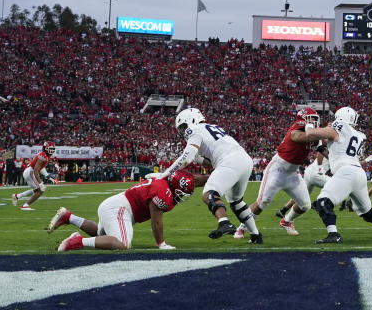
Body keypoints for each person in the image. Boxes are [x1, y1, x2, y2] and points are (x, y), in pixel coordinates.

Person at [152, 107, 262, 243]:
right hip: (244, 160)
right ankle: (256, 235)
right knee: (236, 201)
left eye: (183, 126)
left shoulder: (194, 129)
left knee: (208, 193)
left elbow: (187, 157)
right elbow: (210, 159)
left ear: (191, 120)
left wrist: (165, 173)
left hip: (230, 161)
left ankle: (224, 222)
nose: (183, 131)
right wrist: (200, 159)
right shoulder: (212, 127)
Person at [300, 106, 372, 243]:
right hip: (358, 173)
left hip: (346, 172)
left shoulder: (339, 126)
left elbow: (311, 134)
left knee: (322, 202)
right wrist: (322, 144)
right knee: (368, 214)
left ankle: (334, 234)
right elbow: (332, 152)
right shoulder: (358, 134)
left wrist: (309, 124)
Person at [48, 170, 198, 251]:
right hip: (120, 209)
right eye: (181, 193)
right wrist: (162, 244)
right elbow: (156, 221)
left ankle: (69, 217)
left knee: (102, 235)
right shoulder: (162, 192)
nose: (181, 197)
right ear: (175, 186)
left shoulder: (164, 183)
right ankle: (77, 242)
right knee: (122, 243)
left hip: (115, 204)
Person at [247, 107, 320, 237]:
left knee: (305, 205)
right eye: (312, 118)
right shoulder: (295, 131)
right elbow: (304, 137)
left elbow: (322, 143)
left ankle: (287, 221)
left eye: (315, 118)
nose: (315, 121)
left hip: (293, 173)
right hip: (277, 170)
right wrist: (320, 134)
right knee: (262, 202)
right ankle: (241, 227)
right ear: (303, 119)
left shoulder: (311, 132)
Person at [276, 145, 330, 221]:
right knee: (334, 186)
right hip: (316, 174)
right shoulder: (333, 149)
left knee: (302, 195)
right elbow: (320, 154)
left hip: (309, 172)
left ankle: (283, 210)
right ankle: (316, 203)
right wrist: (320, 168)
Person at [12, 141, 56, 211]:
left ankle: (18, 196)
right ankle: (25, 206)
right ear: (45, 148)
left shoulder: (44, 155)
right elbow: (36, 171)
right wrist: (40, 183)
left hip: (29, 172)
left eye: (53, 149)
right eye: (50, 148)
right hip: (30, 172)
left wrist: (49, 177)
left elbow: (41, 169)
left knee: (36, 190)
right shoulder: (43, 156)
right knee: (40, 190)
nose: (52, 150)